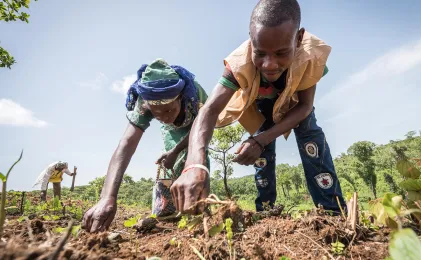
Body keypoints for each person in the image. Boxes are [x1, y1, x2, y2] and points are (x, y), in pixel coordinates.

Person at [171, 0, 346, 214]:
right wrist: (194, 164)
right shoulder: (238, 64)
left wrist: (259, 140)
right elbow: (208, 111)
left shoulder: (310, 58)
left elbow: (305, 107)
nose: (269, 64)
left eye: (281, 53)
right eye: (260, 53)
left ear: (299, 38)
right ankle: (265, 211)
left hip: (295, 106)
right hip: (260, 105)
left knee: (310, 138)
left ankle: (332, 211)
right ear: (251, 40)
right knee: (261, 154)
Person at [82, 59, 208, 232]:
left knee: (196, 164)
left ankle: (199, 212)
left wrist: (177, 150)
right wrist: (107, 197)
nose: (164, 117)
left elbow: (204, 129)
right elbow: (126, 143)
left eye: (169, 110)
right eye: (157, 114)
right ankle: (172, 215)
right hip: (174, 131)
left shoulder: (195, 95)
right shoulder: (144, 102)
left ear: (180, 99)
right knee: (174, 166)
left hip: (197, 126)